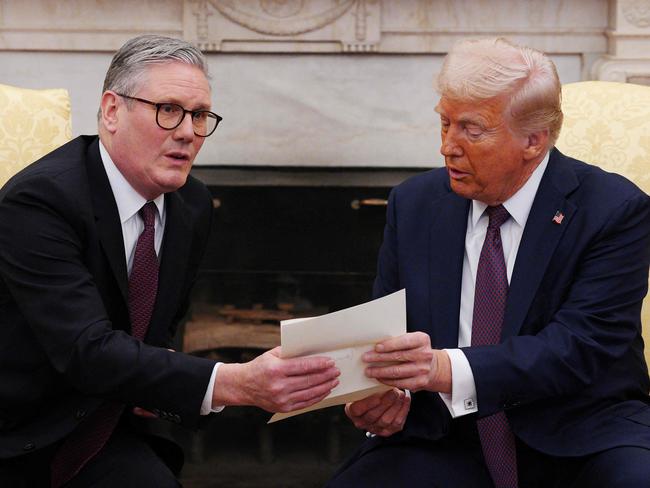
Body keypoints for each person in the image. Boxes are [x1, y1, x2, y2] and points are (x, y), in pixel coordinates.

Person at [0, 34, 339, 487]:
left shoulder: (191, 205)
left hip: (108, 426)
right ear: (112, 110)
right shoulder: (40, 202)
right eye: (168, 110)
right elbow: (87, 351)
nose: (186, 132)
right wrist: (236, 382)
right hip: (21, 436)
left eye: (199, 116)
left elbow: (157, 334)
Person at [328, 37, 650, 488]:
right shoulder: (415, 203)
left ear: (533, 141)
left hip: (580, 433)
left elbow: (581, 347)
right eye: (444, 124)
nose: (447, 147)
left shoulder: (612, 210)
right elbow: (387, 333)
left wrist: (443, 368)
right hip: (444, 436)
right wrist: (380, 393)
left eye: (471, 130)